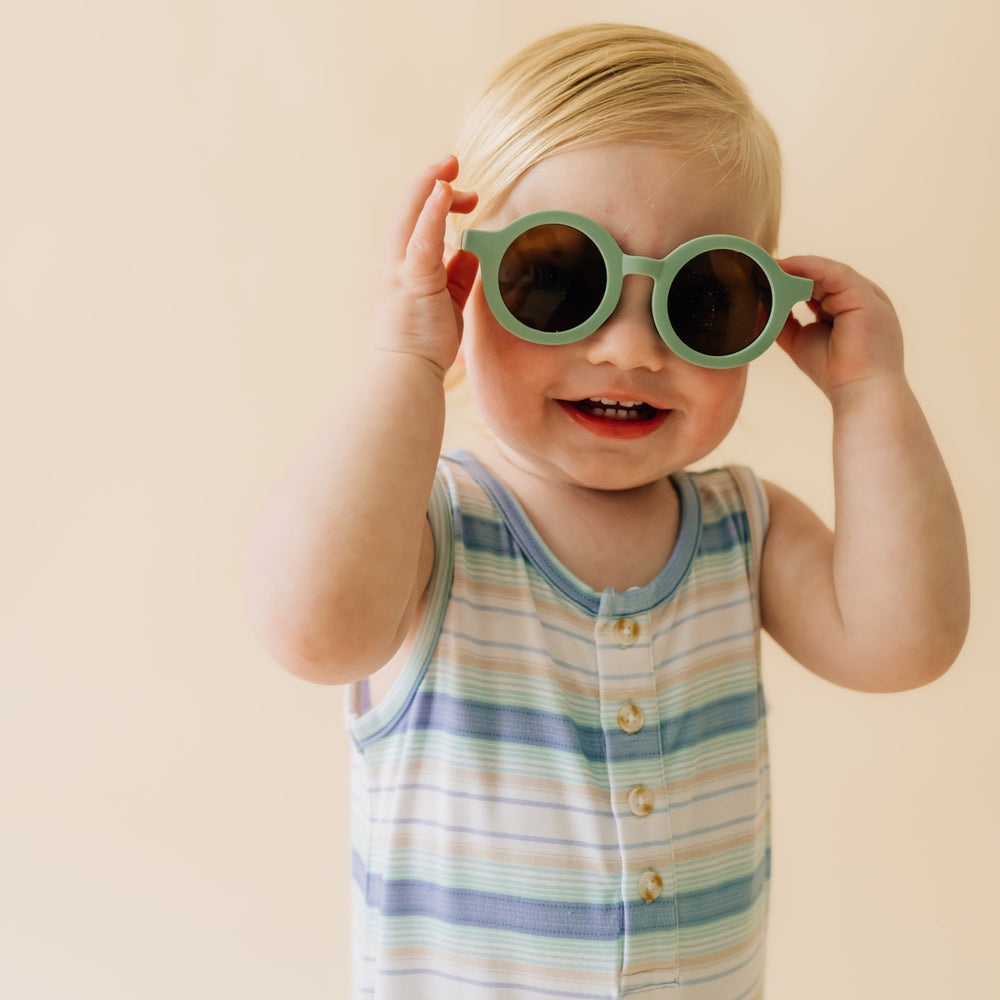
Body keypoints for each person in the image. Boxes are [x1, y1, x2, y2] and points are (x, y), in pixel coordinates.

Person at [245, 23, 970, 999]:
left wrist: (871, 394)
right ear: (462, 286)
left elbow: (904, 641)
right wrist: (404, 359)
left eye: (704, 298)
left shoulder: (742, 532)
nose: (631, 349)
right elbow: (311, 627)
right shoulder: (430, 531)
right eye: (556, 280)